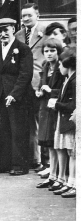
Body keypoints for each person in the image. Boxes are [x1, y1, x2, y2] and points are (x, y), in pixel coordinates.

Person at [0, 18, 34, 175]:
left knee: (18, 131)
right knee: (3, 130)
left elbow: (25, 74)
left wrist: (14, 94)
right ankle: (5, 163)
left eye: (6, 30)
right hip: (1, 96)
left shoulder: (22, 49)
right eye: (0, 31)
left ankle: (19, 165)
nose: (3, 34)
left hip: (18, 97)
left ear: (13, 29)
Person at [15, 3, 49, 172]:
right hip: (23, 85)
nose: (26, 18)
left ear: (38, 15)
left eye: (29, 15)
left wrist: (43, 83)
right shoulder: (18, 35)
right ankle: (34, 159)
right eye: (23, 16)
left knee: (42, 121)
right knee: (28, 123)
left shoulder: (45, 33)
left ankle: (46, 161)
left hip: (39, 83)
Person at [34, 38, 65, 188]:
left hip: (56, 109)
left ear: (58, 52)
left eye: (52, 50)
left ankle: (59, 176)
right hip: (45, 108)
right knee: (49, 144)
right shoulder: (46, 66)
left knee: (56, 143)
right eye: (46, 51)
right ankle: (52, 175)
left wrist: (50, 91)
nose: (49, 54)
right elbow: (42, 85)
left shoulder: (62, 67)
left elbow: (68, 91)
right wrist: (39, 91)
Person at [48, 48, 76, 198]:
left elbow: (74, 105)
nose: (59, 67)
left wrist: (57, 104)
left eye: (60, 64)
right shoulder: (69, 79)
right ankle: (67, 182)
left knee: (72, 152)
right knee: (68, 151)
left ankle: (72, 183)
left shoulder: (74, 81)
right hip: (64, 120)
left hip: (70, 121)